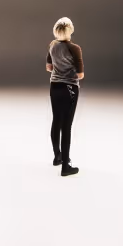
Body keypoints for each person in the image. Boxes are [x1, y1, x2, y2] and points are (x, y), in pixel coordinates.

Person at [46, 17, 84, 177]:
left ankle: (57, 157)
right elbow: (80, 75)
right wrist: (69, 72)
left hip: (54, 86)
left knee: (56, 120)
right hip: (69, 87)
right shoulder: (75, 48)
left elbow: (49, 67)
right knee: (66, 126)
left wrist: (59, 68)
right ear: (70, 30)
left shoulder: (52, 46)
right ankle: (66, 166)